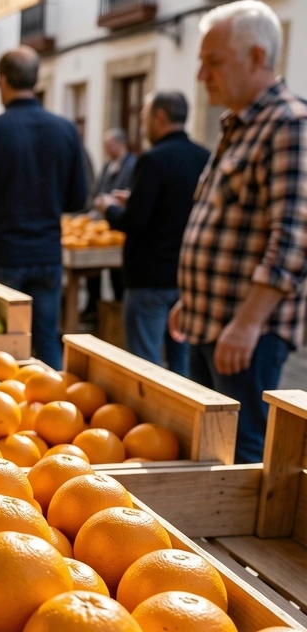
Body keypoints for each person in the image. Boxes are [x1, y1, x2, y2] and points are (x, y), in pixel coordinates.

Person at [169, 0, 307, 463]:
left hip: (244, 333)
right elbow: (229, 224)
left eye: (214, 61)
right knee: (208, 447)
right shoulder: (242, 124)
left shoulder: (289, 124)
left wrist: (248, 323)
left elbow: (294, 237)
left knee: (240, 451)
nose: (201, 75)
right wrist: (191, 298)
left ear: (256, 57)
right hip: (210, 322)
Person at [0, 47, 88, 369]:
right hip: (46, 255)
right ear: (35, 80)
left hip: (2, 254)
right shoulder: (66, 129)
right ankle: (56, 408)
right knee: (46, 341)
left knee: (3, 347)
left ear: (1, 81)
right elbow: (78, 200)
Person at [94, 91, 210, 375]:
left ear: (160, 117)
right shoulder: (205, 156)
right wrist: (133, 199)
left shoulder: (153, 160)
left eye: (144, 118)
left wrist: (108, 207)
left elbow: (134, 222)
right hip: (186, 276)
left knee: (145, 364)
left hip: (150, 276)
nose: (142, 126)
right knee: (180, 363)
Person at [84, 127, 138, 310]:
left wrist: (111, 203)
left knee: (117, 276)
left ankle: (116, 308)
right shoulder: (108, 166)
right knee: (93, 272)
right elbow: (97, 189)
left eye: (108, 145)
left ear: (119, 144)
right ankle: (95, 307)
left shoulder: (133, 165)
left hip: (118, 225)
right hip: (104, 223)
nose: (106, 149)